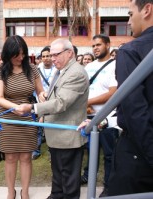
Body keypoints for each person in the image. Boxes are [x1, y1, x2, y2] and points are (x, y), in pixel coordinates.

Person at [17, 38, 89, 199]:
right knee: (58, 176)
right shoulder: (62, 70)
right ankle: (56, 195)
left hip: (67, 136)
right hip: (57, 134)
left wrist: (33, 108)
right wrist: (45, 96)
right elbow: (57, 97)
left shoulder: (76, 72)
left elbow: (62, 103)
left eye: (57, 54)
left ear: (70, 53)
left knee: (69, 179)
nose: (53, 58)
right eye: (51, 54)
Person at [108, 0, 153, 195]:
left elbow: (135, 111)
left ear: (147, 10)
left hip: (139, 155)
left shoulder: (131, 51)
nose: (128, 21)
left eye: (129, 14)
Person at [0, 35, 44, 199]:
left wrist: (43, 95)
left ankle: (25, 192)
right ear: (8, 54)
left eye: (23, 54)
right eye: (17, 55)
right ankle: (10, 192)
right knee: (11, 157)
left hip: (28, 116)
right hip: (8, 118)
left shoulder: (33, 69)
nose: (21, 58)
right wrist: (16, 107)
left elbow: (39, 90)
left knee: (26, 156)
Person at [81, 34, 118, 197]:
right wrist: (86, 105)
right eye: (93, 46)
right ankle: (88, 178)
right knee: (91, 152)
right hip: (90, 118)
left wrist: (88, 102)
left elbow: (112, 93)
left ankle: (109, 187)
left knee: (109, 155)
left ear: (108, 45)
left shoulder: (116, 65)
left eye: (99, 45)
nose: (95, 48)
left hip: (108, 119)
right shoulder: (89, 67)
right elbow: (84, 90)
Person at [32, 46, 56, 160]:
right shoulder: (36, 70)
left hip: (53, 104)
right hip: (39, 103)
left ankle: (53, 152)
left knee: (52, 130)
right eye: (44, 56)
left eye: (48, 56)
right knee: (38, 129)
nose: (46, 58)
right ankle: (36, 150)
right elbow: (34, 87)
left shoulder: (58, 69)